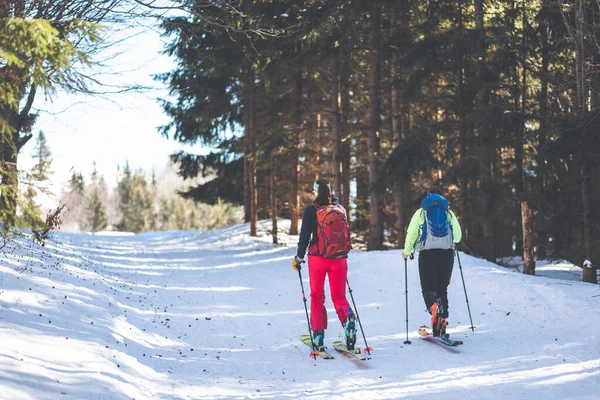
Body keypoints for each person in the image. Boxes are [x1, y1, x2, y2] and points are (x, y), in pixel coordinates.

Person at [292, 178, 355, 351]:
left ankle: (318, 336)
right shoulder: (340, 209)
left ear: (314, 192)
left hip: (317, 258)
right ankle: (349, 320)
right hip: (339, 258)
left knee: (317, 296)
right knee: (340, 297)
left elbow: (304, 236)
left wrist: (299, 258)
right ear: (331, 191)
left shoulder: (311, 210)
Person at [402, 185, 462, 337]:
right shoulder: (448, 213)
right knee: (442, 288)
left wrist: (406, 251)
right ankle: (442, 319)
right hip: (447, 254)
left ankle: (434, 308)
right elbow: (458, 236)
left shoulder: (421, 212)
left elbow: (412, 233)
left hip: (427, 254)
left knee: (429, 288)